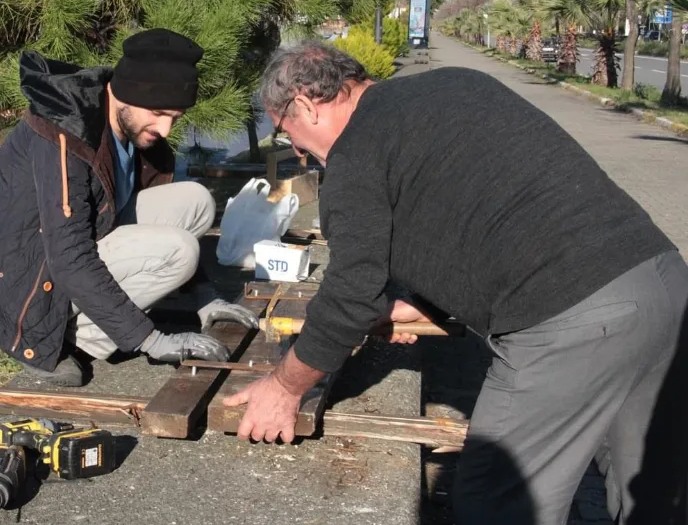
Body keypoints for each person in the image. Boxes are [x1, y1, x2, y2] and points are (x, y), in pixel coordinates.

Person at [224, 40, 688, 524]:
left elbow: (350, 290)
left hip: (570, 319)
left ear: (303, 104)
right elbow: (480, 209)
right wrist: (428, 303)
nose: (298, 154)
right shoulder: (459, 85)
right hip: (662, 281)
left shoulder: (354, 152)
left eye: (286, 133)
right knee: (653, 495)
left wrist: (284, 387)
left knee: (496, 502)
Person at [0, 29, 258, 387]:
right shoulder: (65, 134)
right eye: (157, 112)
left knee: (196, 202)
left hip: (78, 245)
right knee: (179, 252)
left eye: (176, 116)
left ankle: (93, 321)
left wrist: (205, 297)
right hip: (18, 284)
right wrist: (150, 341)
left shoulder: (136, 128)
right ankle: (69, 339)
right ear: (125, 94)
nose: (166, 128)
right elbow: (67, 256)